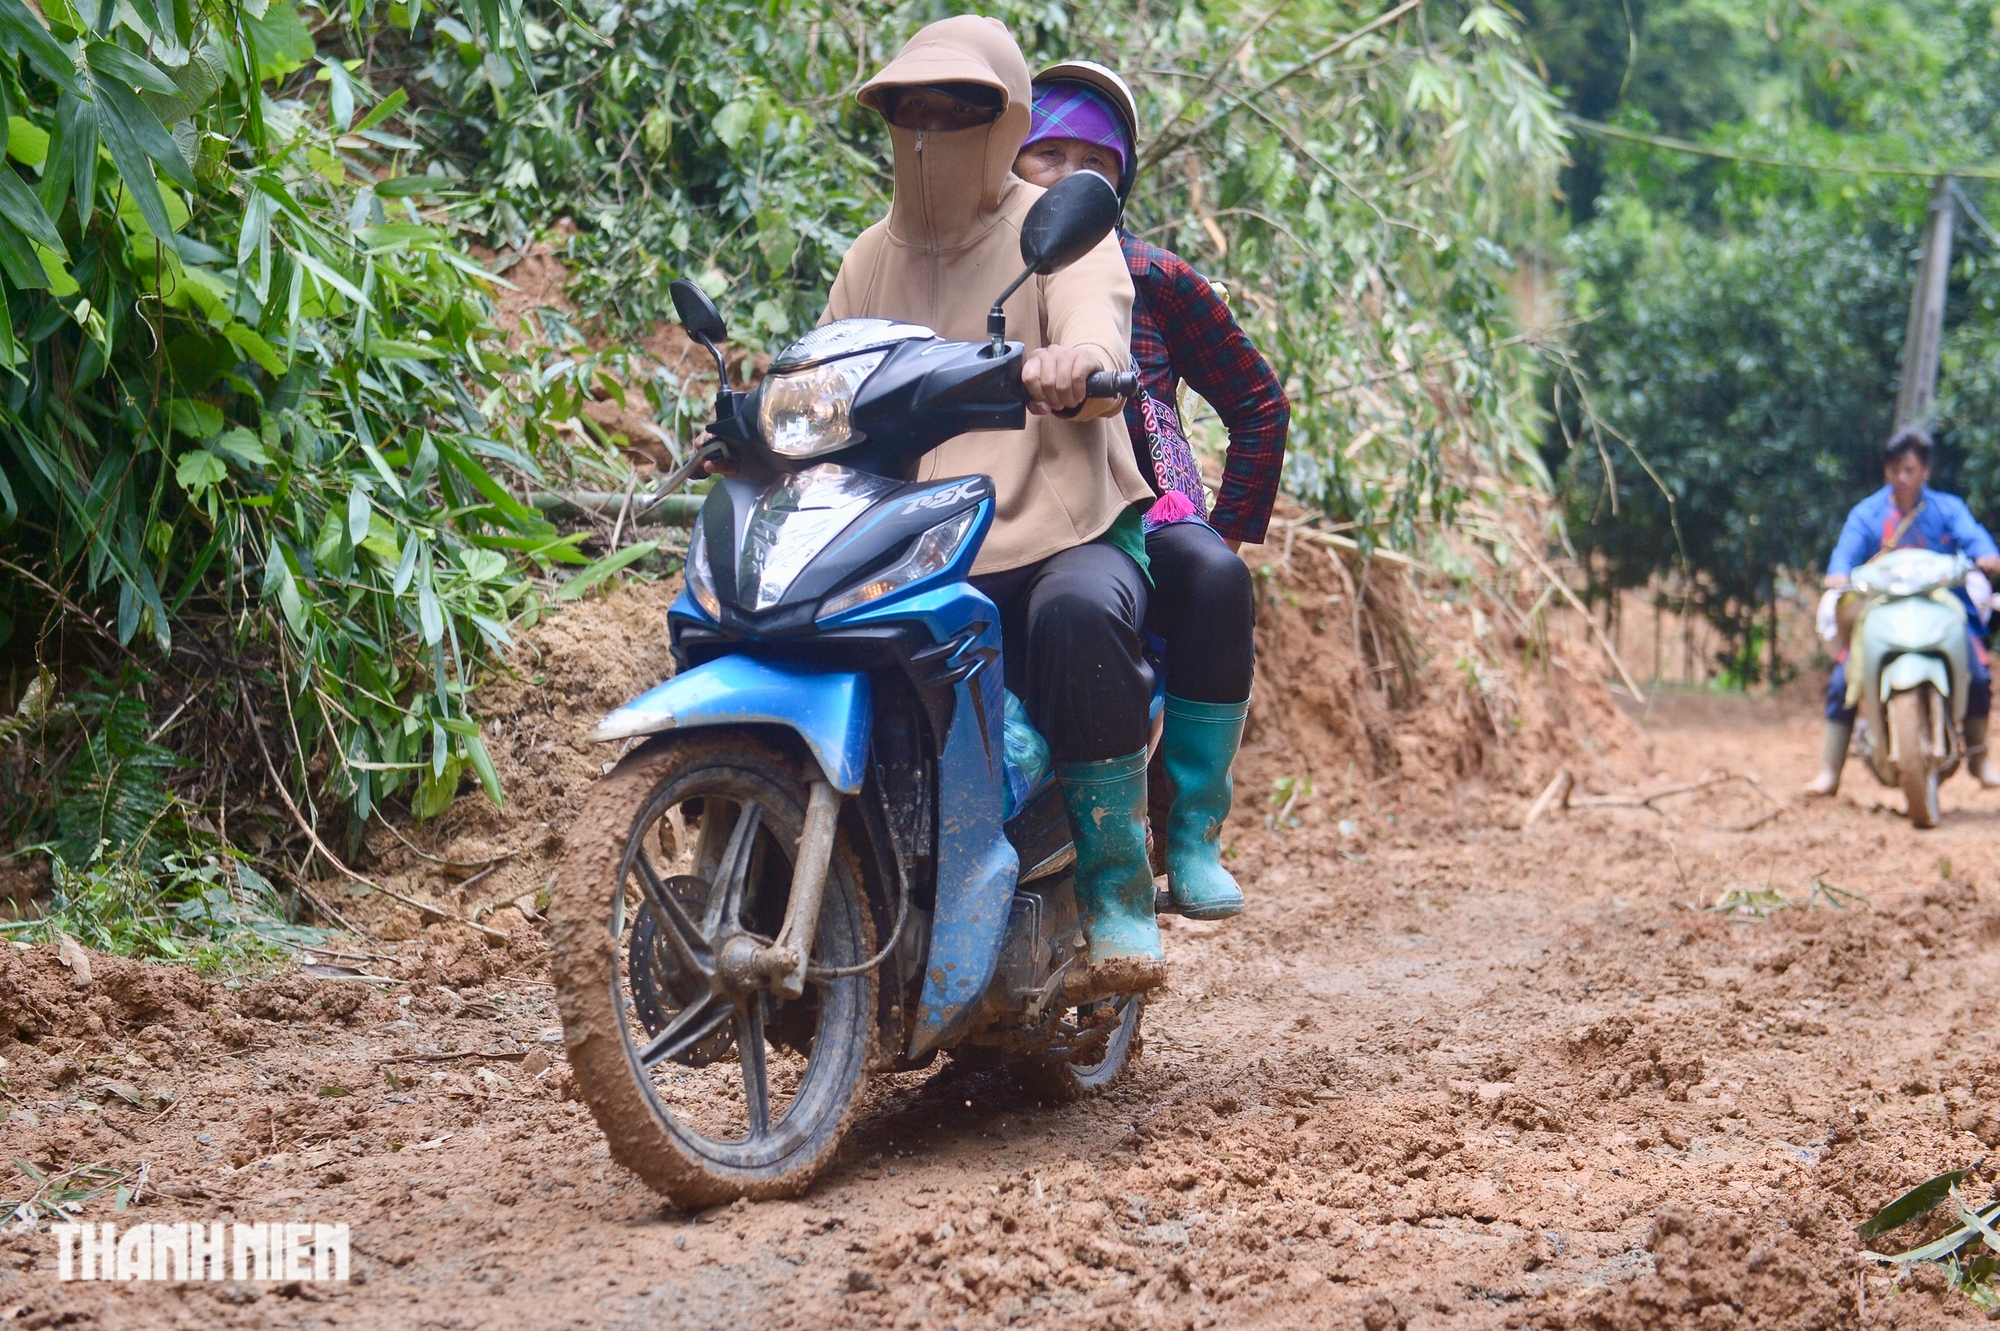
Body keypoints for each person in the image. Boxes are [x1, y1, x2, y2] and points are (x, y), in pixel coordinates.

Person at [826, 17, 1166, 996]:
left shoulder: (1059, 230)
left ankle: (1114, 895)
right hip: (904, 538)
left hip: (1052, 525)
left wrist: (1078, 363)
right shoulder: (866, 258)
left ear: (1005, 118)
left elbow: (1096, 315)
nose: (930, 127)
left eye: (959, 107)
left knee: (1079, 610)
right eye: (911, 107)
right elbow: (833, 365)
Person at [1013, 62, 1290, 920]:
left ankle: (1189, 830)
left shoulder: (1157, 277)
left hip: (1143, 505)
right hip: (1002, 506)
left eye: (1090, 162)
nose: (1064, 178)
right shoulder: (975, 269)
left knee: (1209, 578)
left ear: (1121, 178)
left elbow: (1258, 403)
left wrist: (1221, 531)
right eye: (1043, 153)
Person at [1805, 424, 2000, 795]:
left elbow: (1975, 540)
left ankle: (1980, 759)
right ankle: (1830, 771)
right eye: (1894, 469)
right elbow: (1843, 556)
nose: (1902, 478)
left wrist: (1986, 556)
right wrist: (1837, 575)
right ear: (1886, 470)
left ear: (1926, 471)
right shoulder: (1867, 514)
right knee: (1845, 677)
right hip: (1882, 609)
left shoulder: (1947, 509)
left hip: (1939, 605)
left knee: (1977, 674)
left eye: (1910, 470)